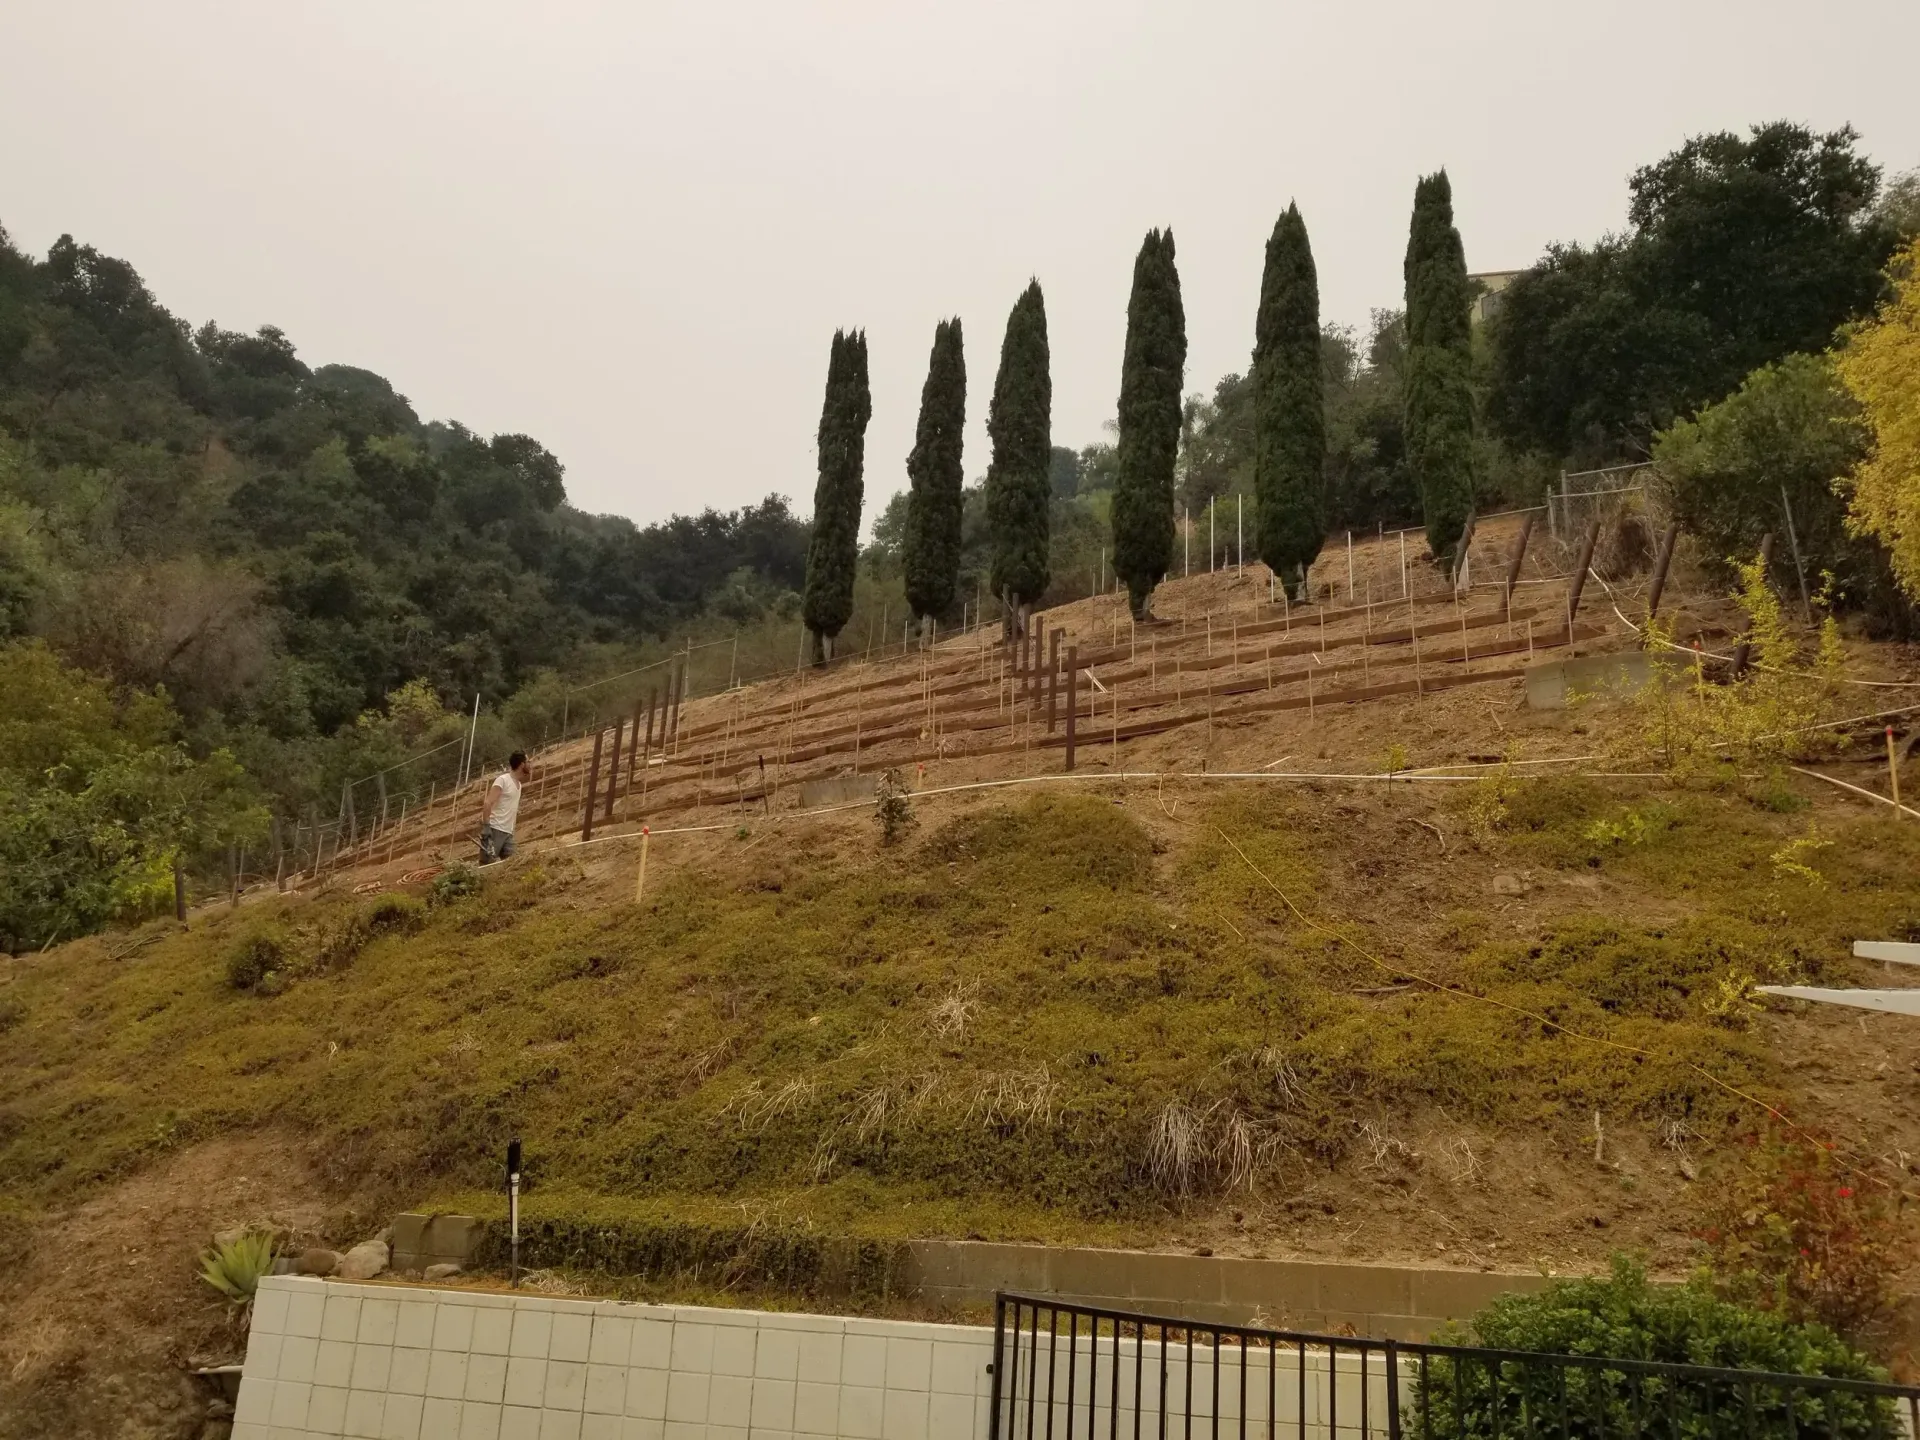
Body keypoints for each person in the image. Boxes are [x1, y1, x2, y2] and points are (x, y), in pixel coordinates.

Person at [478, 752, 530, 863]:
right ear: (521, 764)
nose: (530, 764)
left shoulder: (519, 785)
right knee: (486, 865)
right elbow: (488, 802)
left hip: (508, 833)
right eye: (528, 762)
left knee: (513, 865)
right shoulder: (503, 780)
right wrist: (486, 827)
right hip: (495, 830)